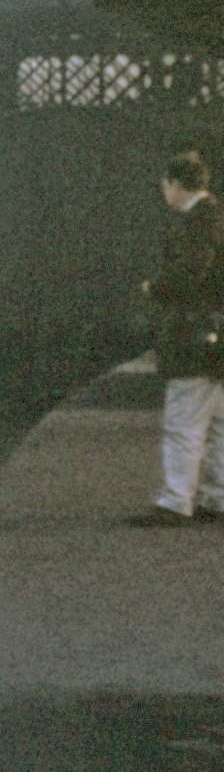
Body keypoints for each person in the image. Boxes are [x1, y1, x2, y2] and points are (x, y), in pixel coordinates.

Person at [139, 148, 224, 523]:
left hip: (195, 335)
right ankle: (217, 496)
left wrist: (154, 288)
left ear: (175, 184)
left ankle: (176, 501)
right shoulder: (218, 215)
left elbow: (188, 275)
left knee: (184, 420)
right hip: (217, 335)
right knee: (219, 422)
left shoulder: (199, 223)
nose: (163, 193)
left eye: (164, 185)